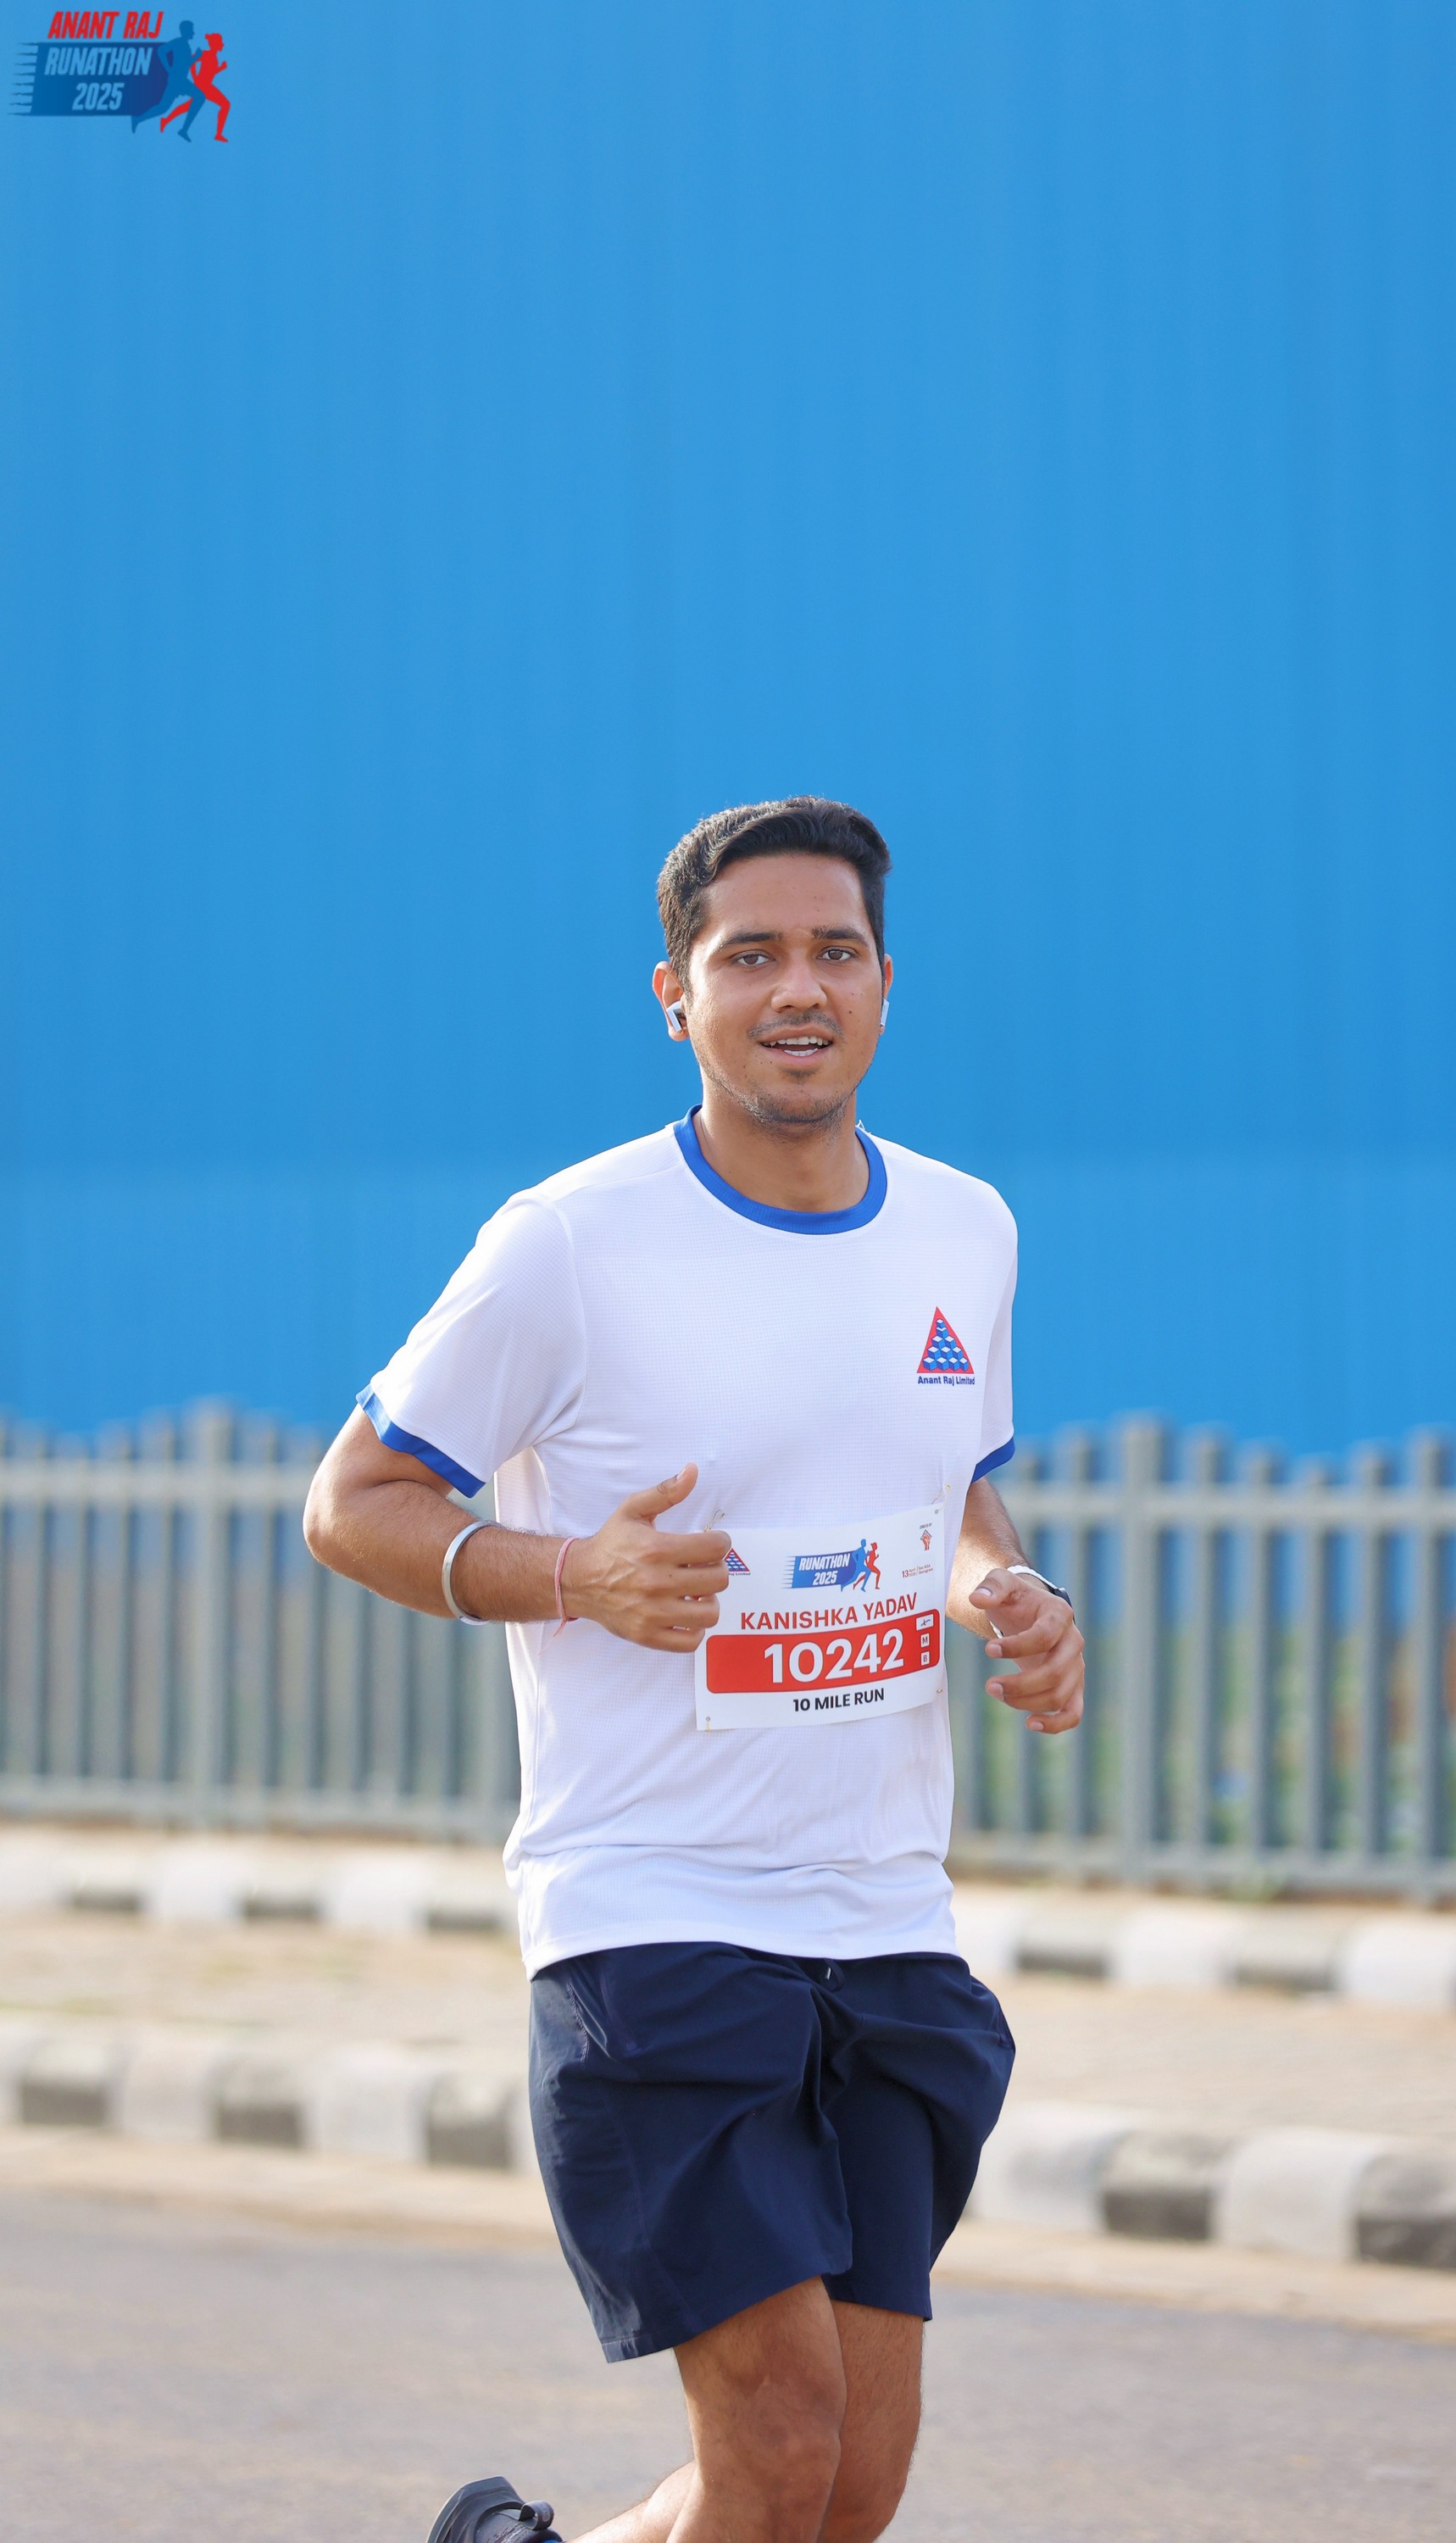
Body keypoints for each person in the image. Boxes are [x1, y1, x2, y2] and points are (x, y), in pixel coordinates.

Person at [303, 798, 1086, 2543]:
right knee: (782, 2443)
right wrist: (568, 1573)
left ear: (884, 984)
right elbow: (351, 1505)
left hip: (884, 1912)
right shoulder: (569, 1241)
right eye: (752, 957)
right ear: (677, 995)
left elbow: (952, 1492)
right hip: (649, 1909)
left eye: (834, 952)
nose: (798, 989)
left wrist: (1009, 1592)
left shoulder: (965, 1230)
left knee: (845, 2487)